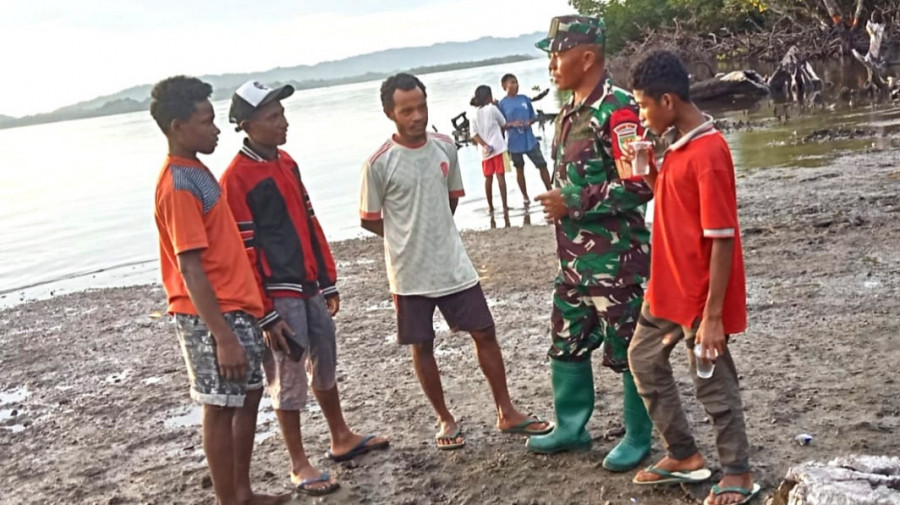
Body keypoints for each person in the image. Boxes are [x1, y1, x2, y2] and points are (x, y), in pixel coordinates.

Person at [359, 73, 551, 450]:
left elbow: (451, 200)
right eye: (406, 110)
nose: (416, 116)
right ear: (389, 113)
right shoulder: (378, 163)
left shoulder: (445, 147)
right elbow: (369, 219)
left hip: (453, 264)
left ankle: (506, 410)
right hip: (408, 272)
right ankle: (445, 419)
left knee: (485, 333)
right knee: (423, 345)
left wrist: (434, 232)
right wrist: (406, 238)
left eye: (421, 107)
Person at [219, 80, 390, 497]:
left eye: (282, 115)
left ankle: (340, 435)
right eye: (273, 117)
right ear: (247, 124)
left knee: (325, 356)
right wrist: (264, 312)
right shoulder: (236, 178)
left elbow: (309, 220)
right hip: (277, 293)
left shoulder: (286, 162)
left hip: (308, 282)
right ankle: (298, 461)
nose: (284, 123)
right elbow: (243, 250)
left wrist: (326, 277)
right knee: (288, 375)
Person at [626, 50, 759, 505]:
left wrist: (713, 316)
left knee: (712, 379)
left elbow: (722, 238)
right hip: (666, 286)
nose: (642, 116)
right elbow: (676, 206)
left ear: (667, 100)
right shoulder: (679, 146)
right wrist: (650, 173)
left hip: (700, 295)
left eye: (644, 105)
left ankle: (738, 472)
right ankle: (682, 453)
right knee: (643, 359)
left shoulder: (709, 152)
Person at [150, 76, 289, 505]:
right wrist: (223, 337)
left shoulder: (197, 171)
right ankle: (228, 500)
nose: (215, 129)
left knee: (246, 399)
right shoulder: (178, 184)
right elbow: (190, 268)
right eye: (207, 121)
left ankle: (242, 491)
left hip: (237, 306)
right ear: (178, 126)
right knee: (219, 406)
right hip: (211, 315)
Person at [527, 16, 655, 474]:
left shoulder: (618, 110)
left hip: (617, 263)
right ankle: (570, 427)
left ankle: (639, 436)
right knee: (566, 342)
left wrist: (573, 201)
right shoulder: (567, 113)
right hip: (575, 265)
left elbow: (641, 185)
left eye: (558, 54)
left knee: (629, 352)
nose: (551, 65)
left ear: (587, 57)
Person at [498, 73, 553, 205]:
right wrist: (511, 124)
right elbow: (501, 124)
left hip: (529, 139)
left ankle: (550, 191)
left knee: (542, 165)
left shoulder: (524, 99)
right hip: (514, 142)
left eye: (516, 82)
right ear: (504, 86)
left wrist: (530, 121)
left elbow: (533, 116)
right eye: (512, 82)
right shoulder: (502, 104)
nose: (515, 85)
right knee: (519, 168)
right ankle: (525, 196)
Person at [470, 85, 511, 220]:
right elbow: (503, 123)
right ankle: (505, 206)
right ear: (489, 97)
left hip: (485, 152)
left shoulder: (473, 114)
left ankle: (491, 206)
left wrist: (485, 145)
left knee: (488, 179)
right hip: (498, 148)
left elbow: (474, 135)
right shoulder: (492, 109)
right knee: (501, 178)